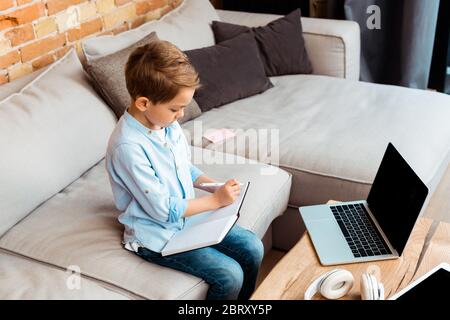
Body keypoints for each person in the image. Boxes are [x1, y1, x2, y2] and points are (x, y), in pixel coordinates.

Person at [105, 40, 264, 300]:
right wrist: (214, 202)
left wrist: (212, 186)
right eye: (175, 108)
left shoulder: (165, 124)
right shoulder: (128, 147)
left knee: (252, 247)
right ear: (144, 103)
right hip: (156, 235)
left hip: (186, 218)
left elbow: (182, 167)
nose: (181, 115)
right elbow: (163, 210)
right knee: (229, 274)